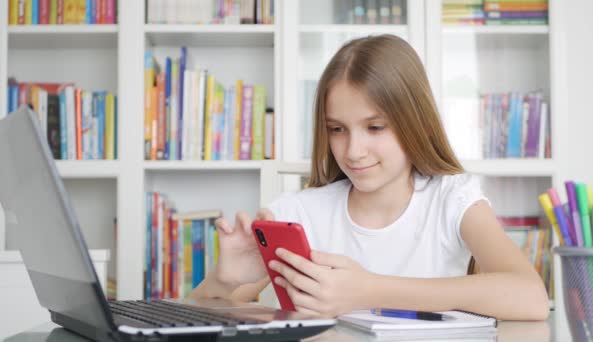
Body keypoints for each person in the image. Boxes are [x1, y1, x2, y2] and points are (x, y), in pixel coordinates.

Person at [189, 34, 549, 320]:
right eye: (337, 129)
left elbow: (531, 298)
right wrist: (225, 278)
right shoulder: (297, 212)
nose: (353, 150)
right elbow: (198, 317)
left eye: (375, 127)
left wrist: (370, 290)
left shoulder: (452, 198)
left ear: (419, 125)